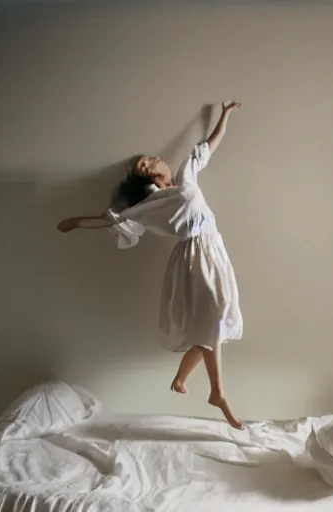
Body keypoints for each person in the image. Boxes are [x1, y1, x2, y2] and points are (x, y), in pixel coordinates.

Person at [58, 101, 244, 429]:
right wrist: (74, 222)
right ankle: (218, 392)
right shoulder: (148, 205)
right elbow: (110, 220)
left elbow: (211, 144)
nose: (167, 165)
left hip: (213, 251)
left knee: (217, 322)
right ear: (152, 170)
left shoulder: (186, 176)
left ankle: (182, 379)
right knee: (215, 317)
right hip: (194, 257)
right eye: (160, 163)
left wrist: (225, 114)